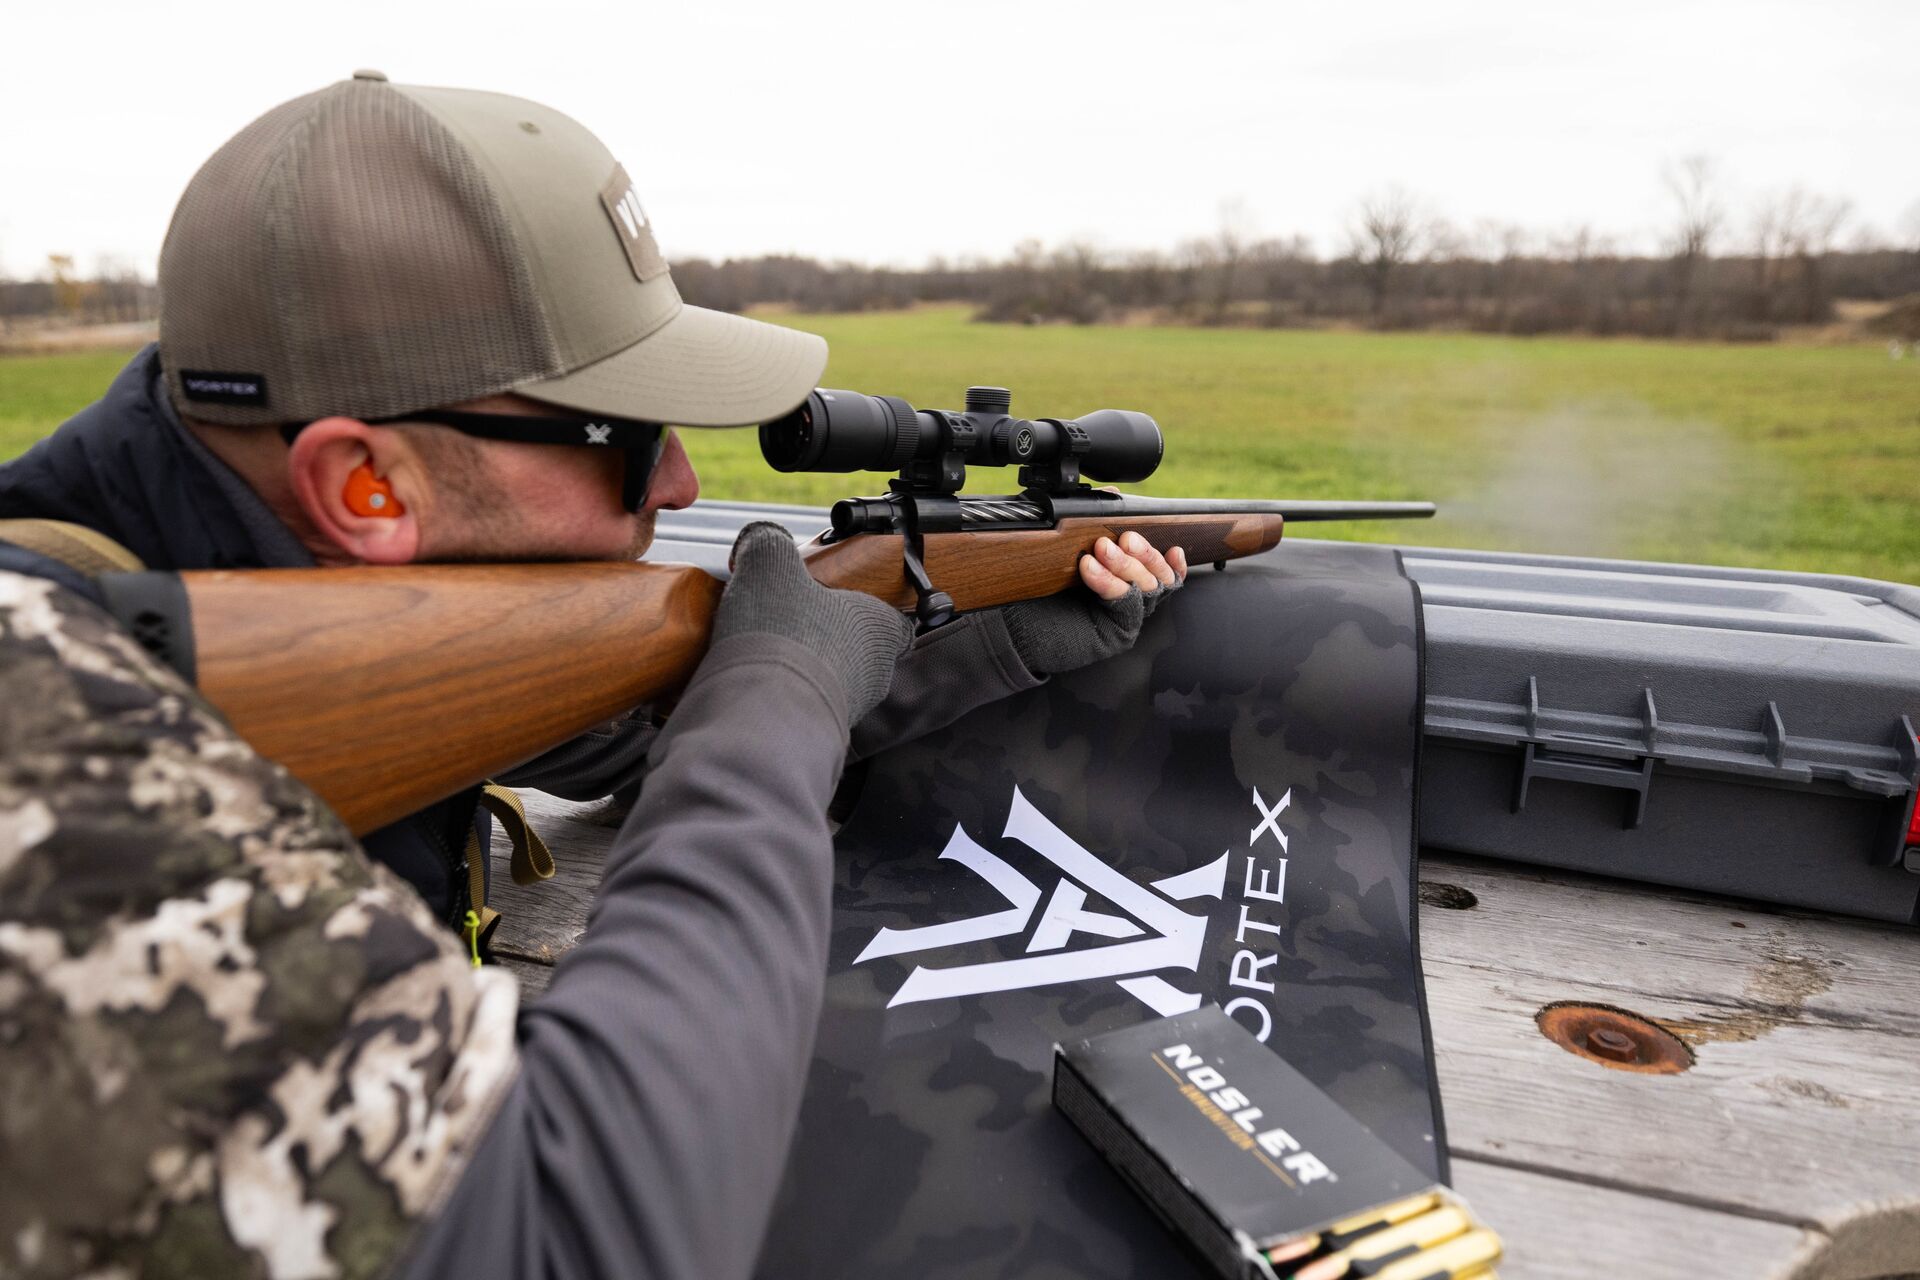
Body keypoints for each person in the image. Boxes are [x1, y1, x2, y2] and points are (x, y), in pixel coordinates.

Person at [0, 73, 1184, 1277]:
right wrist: (776, 698)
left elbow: (617, 734)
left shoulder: (247, 573)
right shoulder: (48, 764)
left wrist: (989, 639)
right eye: (626, 436)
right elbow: (594, 1231)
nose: (678, 484)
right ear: (365, 486)